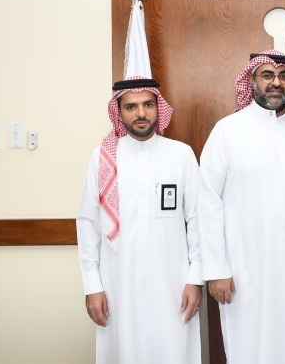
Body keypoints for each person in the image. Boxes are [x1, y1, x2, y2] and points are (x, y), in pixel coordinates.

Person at [198, 50, 285, 364]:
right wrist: (216, 269)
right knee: (252, 344)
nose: (276, 83)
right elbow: (206, 202)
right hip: (247, 267)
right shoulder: (228, 131)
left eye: (284, 76)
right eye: (267, 75)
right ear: (252, 80)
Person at [76, 77, 203, 364]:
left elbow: (198, 222)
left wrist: (195, 280)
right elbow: (87, 225)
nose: (141, 113)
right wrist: (92, 286)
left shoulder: (181, 154)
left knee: (174, 351)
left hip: (173, 284)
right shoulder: (102, 159)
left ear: (159, 108)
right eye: (131, 107)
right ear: (119, 112)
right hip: (118, 285)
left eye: (148, 104)